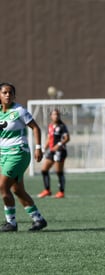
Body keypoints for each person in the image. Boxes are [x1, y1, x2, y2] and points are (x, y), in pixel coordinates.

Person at [0, 82, 48, 232]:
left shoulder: (19, 110)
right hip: (4, 155)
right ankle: (38, 219)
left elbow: (35, 127)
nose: (8, 95)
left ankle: (11, 223)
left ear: (14, 95)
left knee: (2, 186)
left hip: (18, 154)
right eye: (4, 92)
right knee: (17, 190)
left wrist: (38, 148)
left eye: (10, 92)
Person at [37, 108, 70, 199]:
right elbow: (49, 139)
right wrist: (43, 149)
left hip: (60, 151)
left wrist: (59, 144)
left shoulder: (62, 126)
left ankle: (61, 192)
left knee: (59, 171)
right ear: (51, 116)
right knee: (44, 170)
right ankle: (47, 190)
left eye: (58, 114)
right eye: (54, 114)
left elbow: (67, 138)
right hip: (51, 151)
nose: (56, 116)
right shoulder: (50, 126)